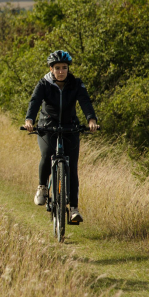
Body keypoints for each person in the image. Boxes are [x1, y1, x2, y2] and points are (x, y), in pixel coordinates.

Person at [23, 50, 98, 222]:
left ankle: (73, 209)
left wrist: (91, 120)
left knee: (72, 167)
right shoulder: (44, 84)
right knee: (47, 154)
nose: (61, 71)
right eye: (57, 68)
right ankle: (42, 187)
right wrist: (29, 120)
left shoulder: (76, 84)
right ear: (51, 69)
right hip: (47, 126)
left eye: (64, 67)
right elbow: (34, 102)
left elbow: (85, 102)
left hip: (70, 126)